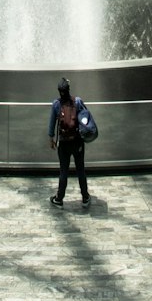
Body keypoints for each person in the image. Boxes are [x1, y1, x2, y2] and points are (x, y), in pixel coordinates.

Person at [48, 77, 90, 208]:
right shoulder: (77, 101)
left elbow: (51, 124)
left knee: (63, 171)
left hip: (63, 143)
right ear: (68, 89)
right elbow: (86, 117)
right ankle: (85, 197)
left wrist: (51, 138)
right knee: (80, 169)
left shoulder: (56, 104)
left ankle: (59, 199)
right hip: (77, 142)